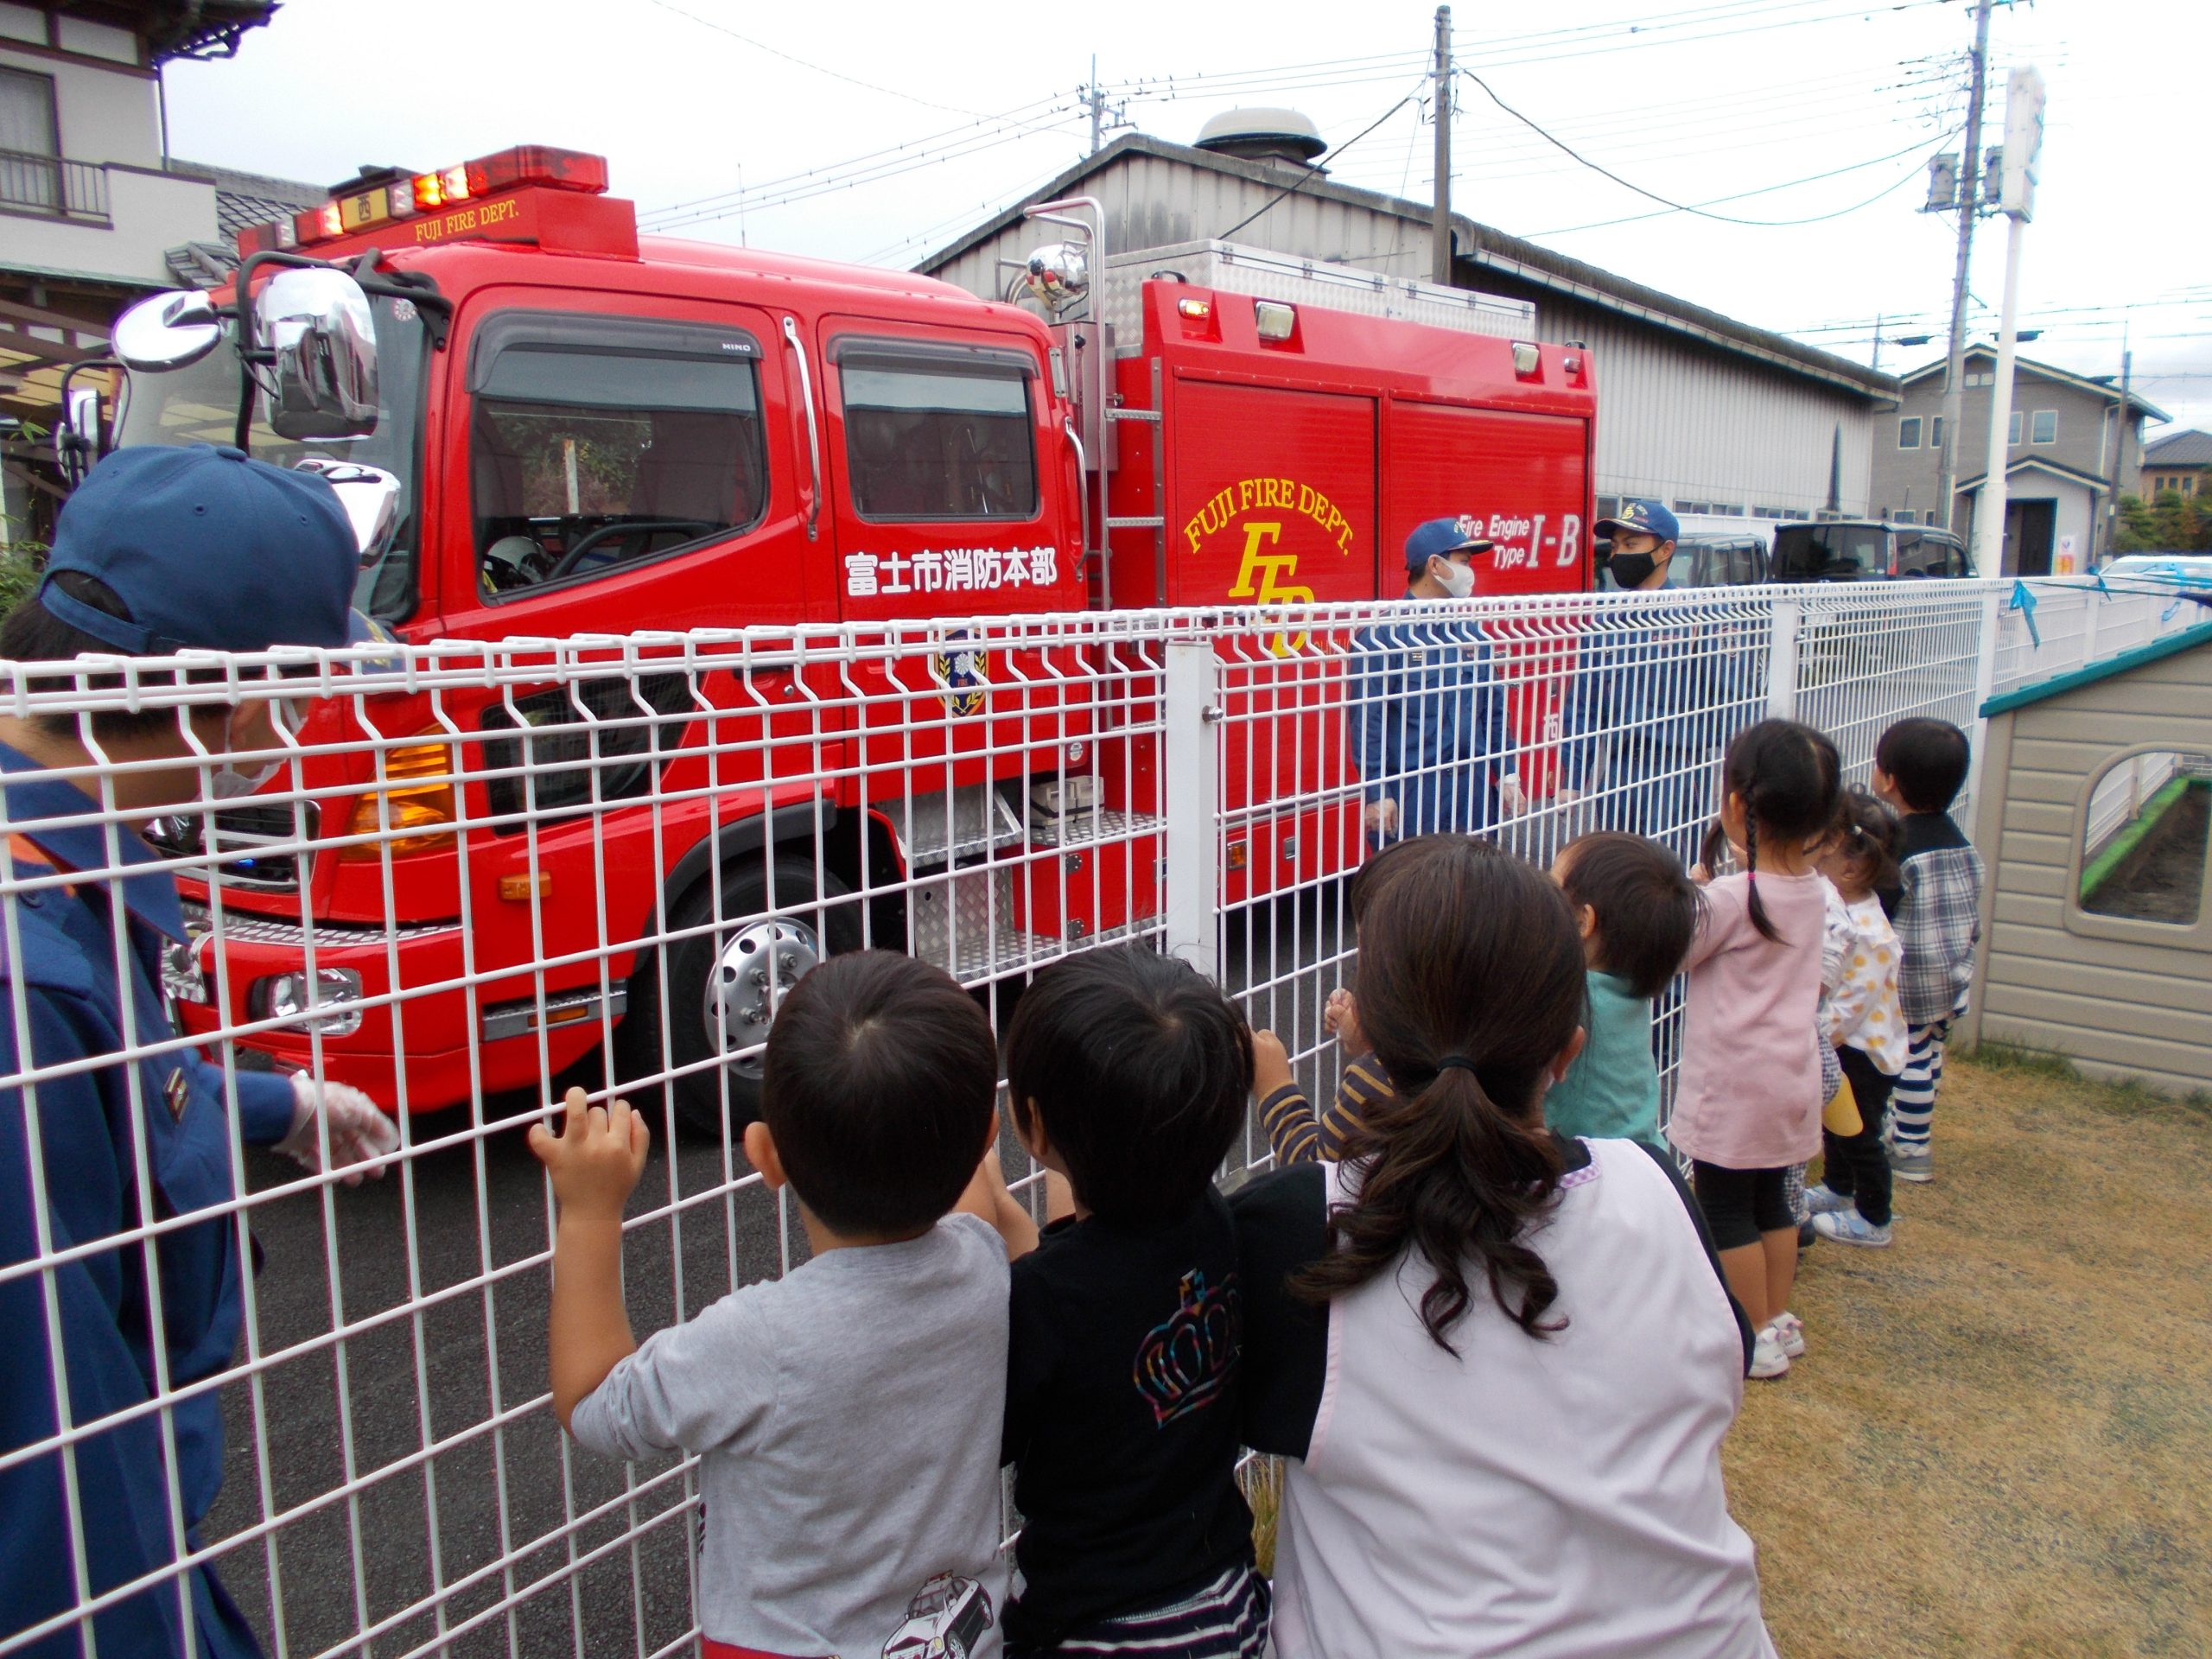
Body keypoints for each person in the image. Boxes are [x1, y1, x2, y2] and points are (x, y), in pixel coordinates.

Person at [0, 445, 403, 1659]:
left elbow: (108, 1094)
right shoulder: (21, 1001)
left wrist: (264, 1102)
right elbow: (62, 1512)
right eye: (300, 693)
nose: (301, 728)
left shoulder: (68, 859)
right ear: (228, 709)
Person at [1229, 836, 1770, 1658]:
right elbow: (1728, 1356)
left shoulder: (1300, 1225)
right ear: (1567, 1053)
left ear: (1371, 1032)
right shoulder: (1657, 1187)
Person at [540, 950, 1011, 1659]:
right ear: (986, 1139)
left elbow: (591, 1404)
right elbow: (972, 1198)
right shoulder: (983, 1265)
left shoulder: (757, 1343)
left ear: (764, 1155)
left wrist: (588, 1213)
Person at [965, 944, 1267, 1656]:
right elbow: (1103, 1265)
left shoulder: (1045, 1294)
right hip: (1224, 1590)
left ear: (1033, 1126)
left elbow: (994, 1438)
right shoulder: (1215, 1220)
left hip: (1094, 1620)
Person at [1672, 719, 1839, 1380]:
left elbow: (1679, 950)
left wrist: (1693, 891)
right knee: (1775, 1202)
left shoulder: (1732, 898)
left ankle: (1750, 1331)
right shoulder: (1816, 891)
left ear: (1738, 807)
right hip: (1791, 1077)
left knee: (1724, 1207)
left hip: (1735, 1086)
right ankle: (1777, 1317)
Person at [1552, 499, 1752, 857]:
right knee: (1617, 868)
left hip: (1675, 769)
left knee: (1668, 870)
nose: (1618, 556)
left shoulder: (1699, 615)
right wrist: (1574, 775)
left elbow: (1734, 703)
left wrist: (1741, 785)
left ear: (1666, 550)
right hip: (1617, 768)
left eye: (1632, 546)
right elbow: (1583, 703)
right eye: (1615, 547)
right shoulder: (1608, 618)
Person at [1349, 518, 1514, 843]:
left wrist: (1508, 774)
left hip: (1473, 792)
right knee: (1415, 888)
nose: (1470, 571)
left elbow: (1494, 713)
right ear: (1435, 565)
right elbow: (1368, 724)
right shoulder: (1384, 638)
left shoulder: (1473, 637)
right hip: (1415, 794)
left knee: (1479, 888)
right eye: (1463, 562)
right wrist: (1377, 792)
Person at [1871, 717, 1984, 1184]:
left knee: (1907, 1060)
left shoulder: (1900, 851)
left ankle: (1912, 1148)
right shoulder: (1963, 846)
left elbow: (1879, 910)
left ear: (1890, 781)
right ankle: (1910, 1131)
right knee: (1928, 1053)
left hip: (1909, 982)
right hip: (1952, 971)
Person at [1542, 831, 1703, 1157]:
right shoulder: (1631, 987)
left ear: (1584, 922)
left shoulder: (1572, 996)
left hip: (1594, 1171)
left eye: (1551, 888)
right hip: (1646, 1158)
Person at [1805, 790, 1908, 1247]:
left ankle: (1874, 1217)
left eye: (1824, 856)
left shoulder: (1870, 934)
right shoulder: (1848, 914)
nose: (1815, 862)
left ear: (1849, 869)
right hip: (1847, 1046)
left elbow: (1851, 1005)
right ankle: (1837, 1187)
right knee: (1836, 1121)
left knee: (1860, 1132)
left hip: (1865, 1053)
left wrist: (1811, 1035)